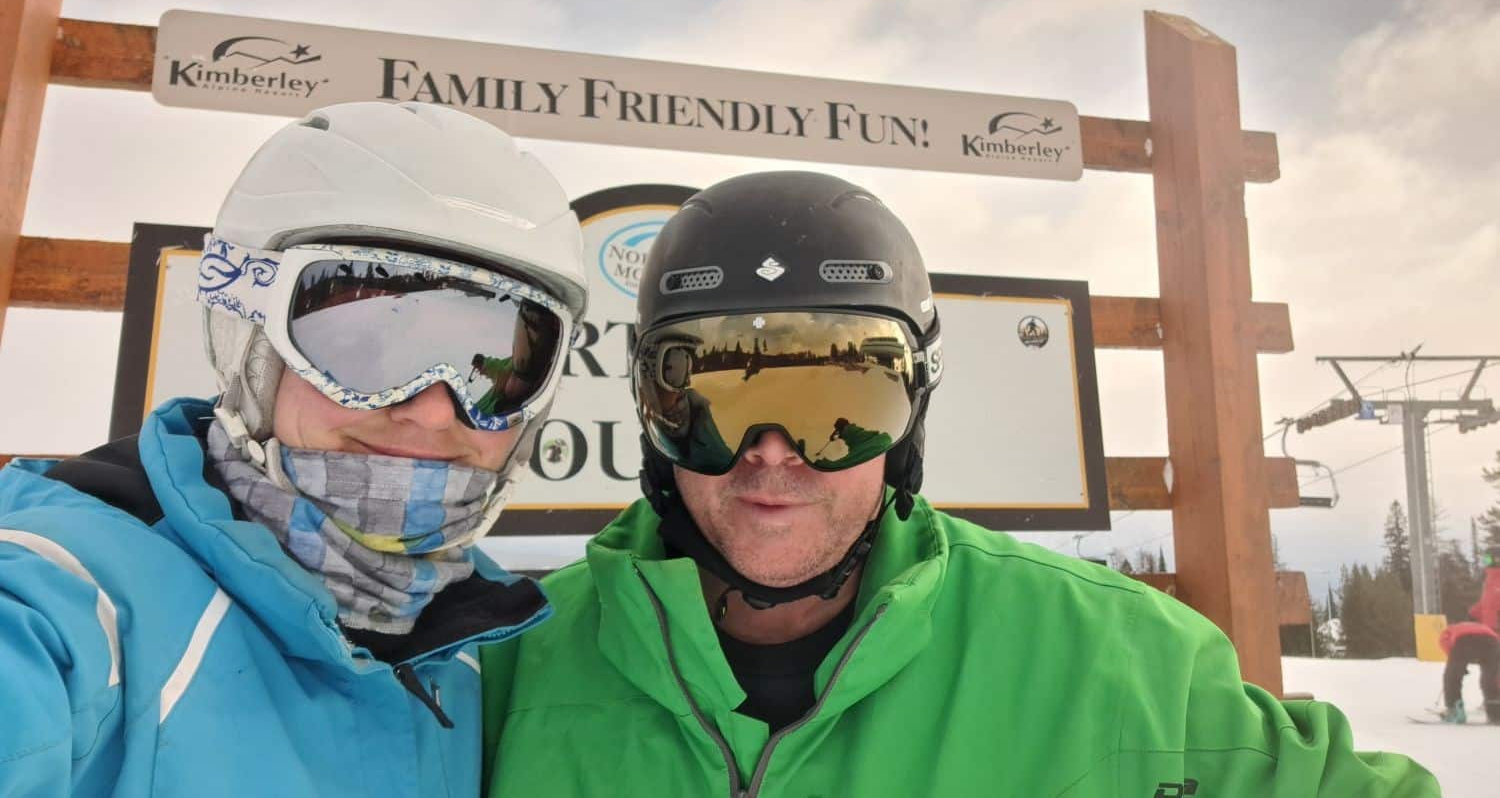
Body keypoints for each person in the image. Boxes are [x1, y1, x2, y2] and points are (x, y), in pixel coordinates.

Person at [479, 171, 1436, 796]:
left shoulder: (1112, 660)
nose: (773, 453)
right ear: (652, 411)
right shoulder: (507, 671)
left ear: (913, 414)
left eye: (839, 398)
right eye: (715, 397)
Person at [0, 101, 587, 795]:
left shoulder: (492, 639)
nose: (432, 411)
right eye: (365, 341)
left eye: (493, 369)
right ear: (250, 347)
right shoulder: (72, 600)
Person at [1436, 621, 1500, 724]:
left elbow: (1447, 645)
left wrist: (1457, 666)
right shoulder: (1480, 627)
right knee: (1490, 679)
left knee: (1452, 677)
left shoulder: (1448, 631)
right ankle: (1495, 714)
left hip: (1465, 640)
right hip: (1493, 642)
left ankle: (1454, 711)